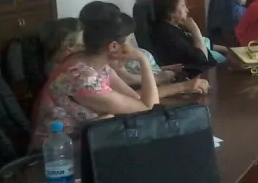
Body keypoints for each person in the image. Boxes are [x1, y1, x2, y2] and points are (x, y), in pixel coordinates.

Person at [30, 10, 208, 149]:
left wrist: (182, 87)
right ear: (113, 46)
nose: (133, 48)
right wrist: (142, 60)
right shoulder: (81, 77)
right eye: (129, 41)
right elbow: (148, 107)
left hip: (87, 142)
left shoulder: (97, 65)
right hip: (58, 156)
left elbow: (138, 100)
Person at [151, 0, 223, 67]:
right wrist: (195, 30)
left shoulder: (175, 27)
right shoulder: (168, 35)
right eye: (182, 6)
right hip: (202, 71)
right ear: (170, 12)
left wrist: (227, 49)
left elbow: (204, 43)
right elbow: (202, 60)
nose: (187, 10)